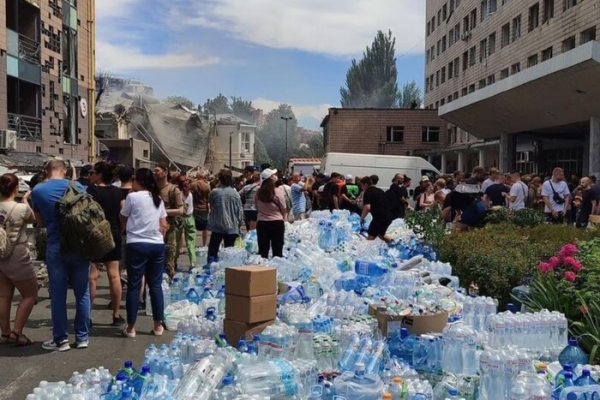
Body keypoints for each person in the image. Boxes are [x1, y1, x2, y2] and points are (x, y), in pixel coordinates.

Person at [31, 160, 90, 351]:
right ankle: (82, 338)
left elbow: (39, 222)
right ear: (64, 171)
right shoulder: (78, 186)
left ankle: (61, 339)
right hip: (80, 246)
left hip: (56, 245)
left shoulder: (38, 190)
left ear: (46, 171)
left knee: (58, 294)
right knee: (82, 293)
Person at [119, 168, 167, 338]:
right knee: (155, 286)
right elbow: (163, 225)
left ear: (139, 180)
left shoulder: (132, 197)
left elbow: (123, 218)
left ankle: (131, 327)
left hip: (137, 243)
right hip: (156, 244)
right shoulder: (158, 199)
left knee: (134, 285)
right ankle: (158, 325)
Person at [0, 174, 38, 346]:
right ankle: (17, 332)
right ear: (15, 188)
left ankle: (5, 333)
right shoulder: (22, 208)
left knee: (3, 296)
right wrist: (24, 199)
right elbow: (33, 220)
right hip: (17, 254)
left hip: (0, 255)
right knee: (30, 294)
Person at [87, 162, 125, 326]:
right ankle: (116, 314)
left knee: (93, 276)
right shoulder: (118, 192)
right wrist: (119, 229)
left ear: (100, 175)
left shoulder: (91, 192)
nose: (90, 175)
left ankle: (87, 315)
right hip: (113, 232)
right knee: (114, 275)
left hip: (95, 234)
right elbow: (123, 213)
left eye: (93, 172)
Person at [154, 162, 184, 278]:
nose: (155, 173)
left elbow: (180, 210)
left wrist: (163, 212)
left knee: (169, 260)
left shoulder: (173, 190)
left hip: (169, 229)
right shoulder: (153, 189)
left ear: (165, 172)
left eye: (157, 171)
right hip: (154, 229)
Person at [207, 169, 244, 259]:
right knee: (229, 255)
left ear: (220, 179)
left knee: (212, 252)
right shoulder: (236, 194)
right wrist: (239, 225)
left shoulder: (214, 192)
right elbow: (239, 211)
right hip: (232, 227)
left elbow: (211, 206)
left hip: (217, 226)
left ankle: (212, 270)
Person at [256, 169, 287, 258]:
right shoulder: (278, 191)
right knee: (277, 251)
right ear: (271, 178)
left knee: (263, 252)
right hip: (277, 222)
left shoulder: (259, 192)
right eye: (274, 175)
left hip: (262, 223)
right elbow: (283, 207)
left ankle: (263, 270)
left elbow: (257, 206)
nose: (275, 176)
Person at [360, 176, 392, 242]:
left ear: (365, 184)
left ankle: (367, 250)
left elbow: (367, 207)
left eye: (362, 185)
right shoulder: (380, 190)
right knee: (380, 234)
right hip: (388, 216)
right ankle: (395, 243)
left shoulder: (368, 192)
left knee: (370, 237)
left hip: (379, 218)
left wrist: (362, 218)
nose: (361, 188)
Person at [176, 174, 196, 267]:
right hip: (189, 218)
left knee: (176, 240)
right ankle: (192, 262)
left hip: (180, 218)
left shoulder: (179, 194)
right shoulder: (191, 194)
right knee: (191, 241)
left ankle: (174, 261)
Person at [190, 171, 211, 247]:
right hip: (204, 208)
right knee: (205, 228)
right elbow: (209, 198)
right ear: (204, 177)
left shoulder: (192, 185)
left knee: (193, 227)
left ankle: (192, 244)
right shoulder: (207, 186)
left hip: (194, 207)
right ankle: (204, 244)